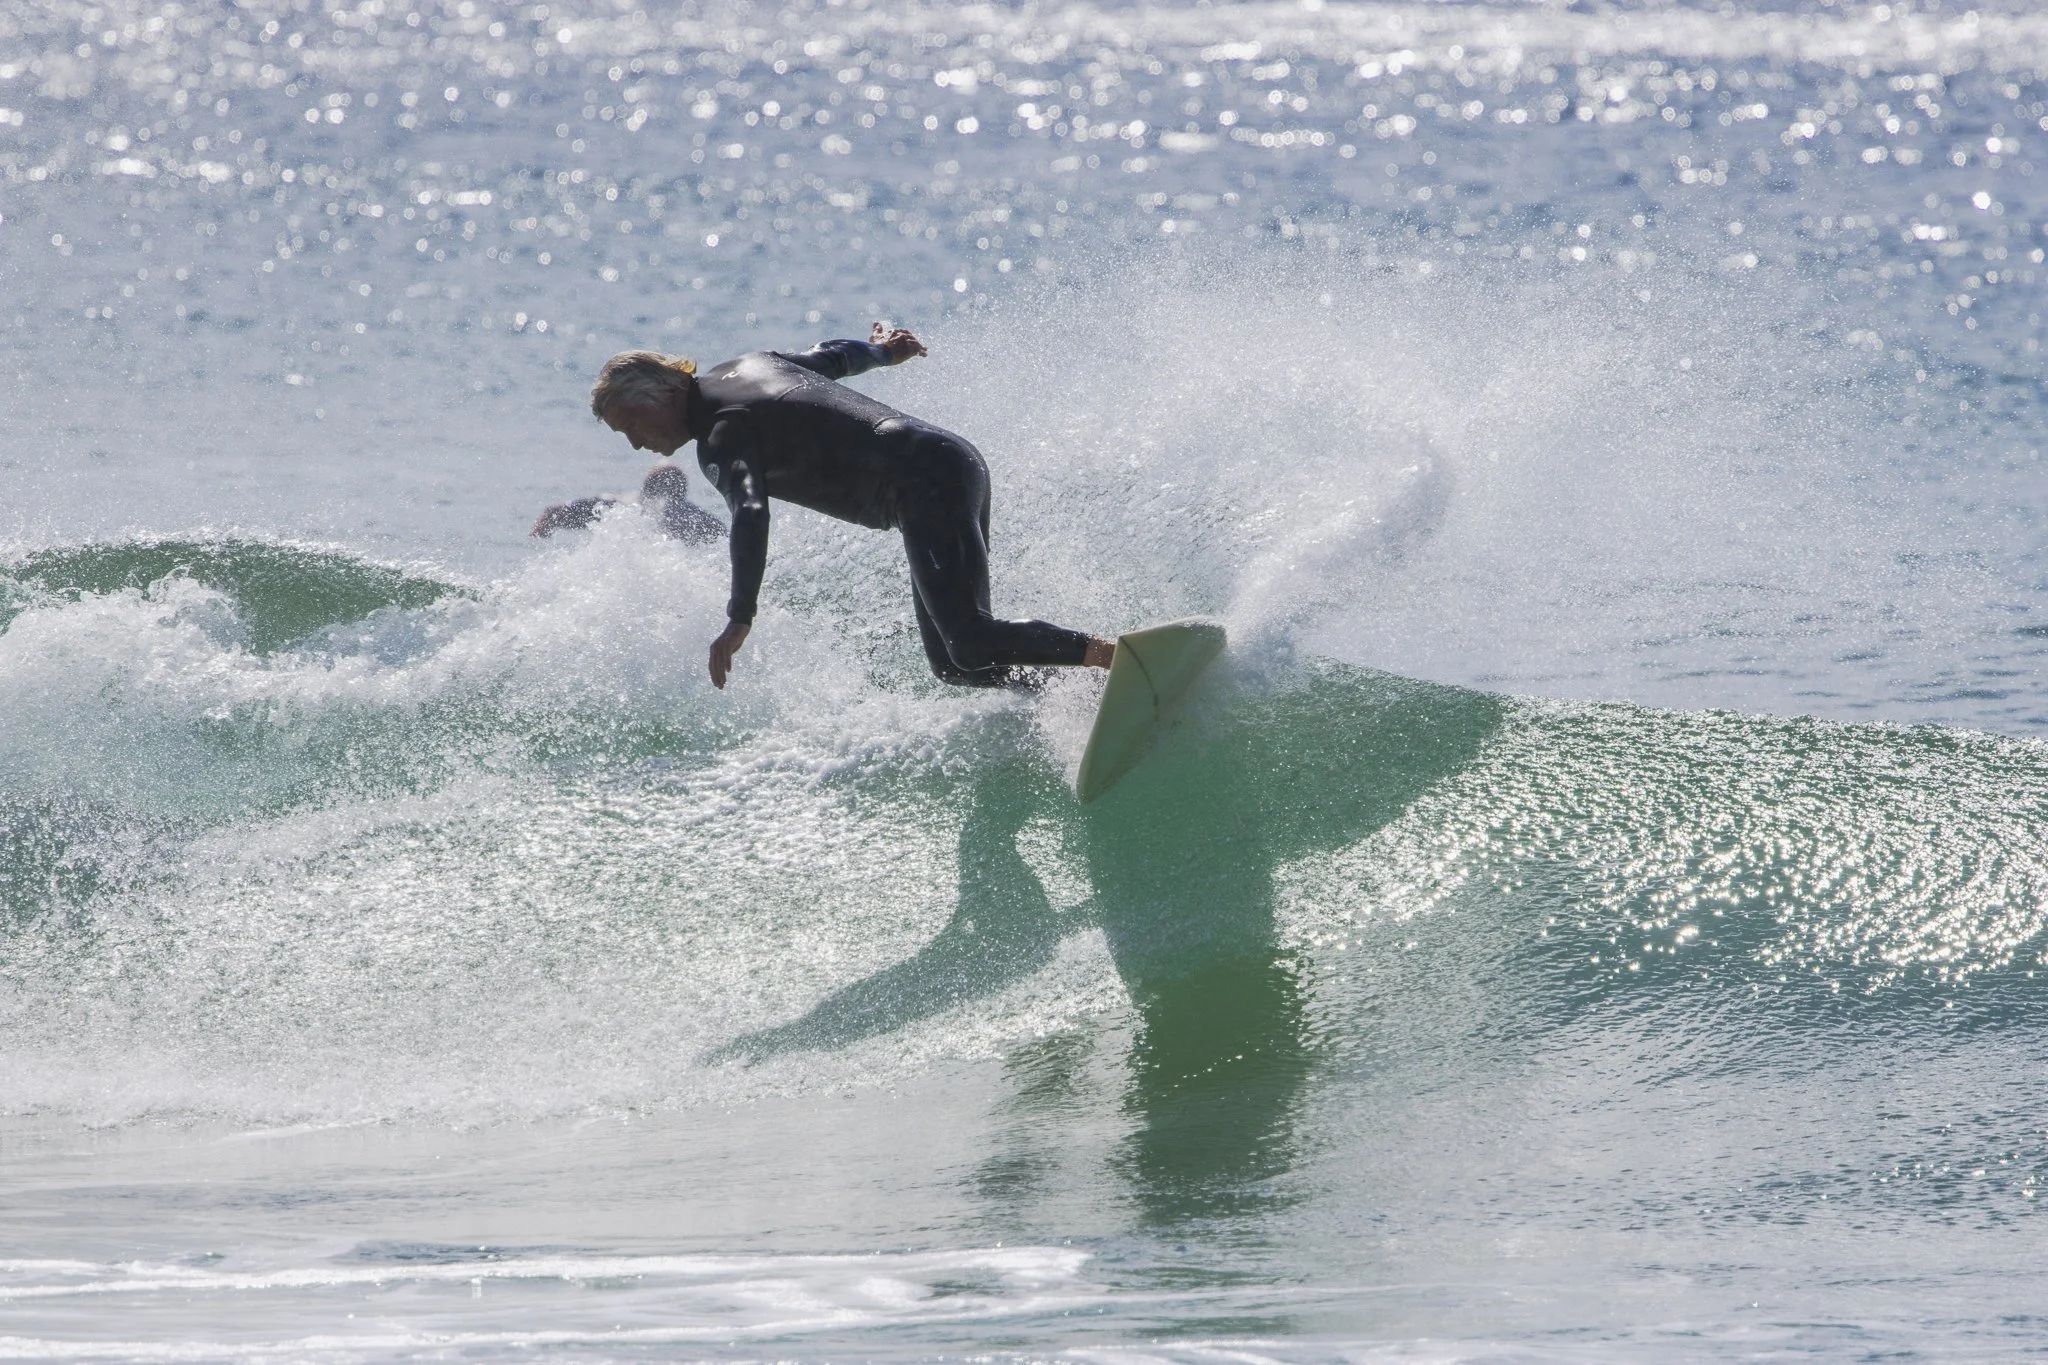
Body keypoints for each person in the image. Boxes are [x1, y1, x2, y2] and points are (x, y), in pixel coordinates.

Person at [577, 322, 1116, 690]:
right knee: (956, 665)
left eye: (632, 426)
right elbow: (830, 357)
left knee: (971, 640)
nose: (635, 444)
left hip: (925, 480)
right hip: (948, 463)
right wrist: (884, 350)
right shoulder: (749, 364)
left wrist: (739, 617)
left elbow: (749, 512)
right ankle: (1079, 689)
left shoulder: (721, 435)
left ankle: (1115, 658)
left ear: (667, 390)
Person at [531, 459, 725, 544]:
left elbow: (555, 512)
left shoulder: (623, 504)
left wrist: (543, 527)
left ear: (647, 486)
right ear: (682, 491)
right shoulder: (701, 519)